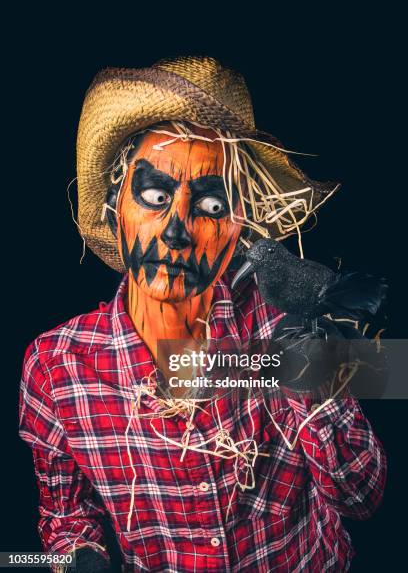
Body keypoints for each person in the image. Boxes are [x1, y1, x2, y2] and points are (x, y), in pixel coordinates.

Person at [19, 56, 386, 572]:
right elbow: (64, 517)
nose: (176, 231)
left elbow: (363, 497)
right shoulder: (57, 369)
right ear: (113, 207)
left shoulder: (274, 326)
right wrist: (75, 557)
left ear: (239, 227)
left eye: (212, 206)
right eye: (153, 195)